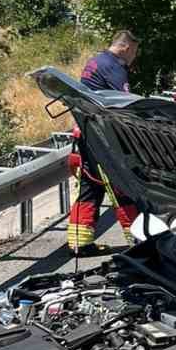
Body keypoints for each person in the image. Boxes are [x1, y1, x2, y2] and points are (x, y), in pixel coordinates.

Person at [67, 30, 141, 253]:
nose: (134, 57)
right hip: (104, 138)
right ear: (127, 47)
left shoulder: (96, 61)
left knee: (91, 186)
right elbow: (123, 103)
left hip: (87, 132)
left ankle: (79, 242)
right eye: (134, 52)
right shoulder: (114, 67)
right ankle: (138, 240)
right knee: (122, 185)